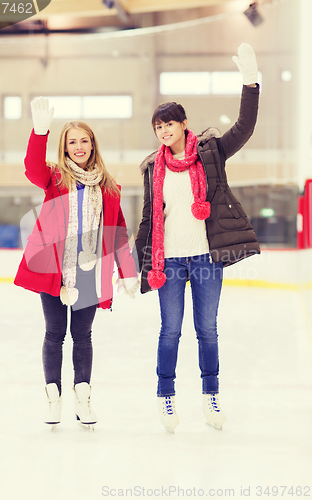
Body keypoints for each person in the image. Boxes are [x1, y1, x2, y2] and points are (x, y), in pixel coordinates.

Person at [135, 43, 260, 433]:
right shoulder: (152, 167)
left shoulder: (211, 152)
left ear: (183, 122)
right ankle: (166, 396)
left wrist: (250, 83)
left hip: (205, 258)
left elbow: (244, 127)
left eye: (169, 123)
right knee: (170, 330)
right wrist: (134, 261)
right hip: (168, 261)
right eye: (158, 126)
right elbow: (149, 218)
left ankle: (211, 394)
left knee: (207, 329)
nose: (163, 130)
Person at [14, 97, 138, 430]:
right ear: (64, 148)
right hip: (55, 271)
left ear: (93, 145)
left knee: (82, 336)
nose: (79, 146)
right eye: (72, 142)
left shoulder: (109, 187)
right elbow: (31, 167)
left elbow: (120, 232)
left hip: (89, 272)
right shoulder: (54, 179)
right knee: (55, 334)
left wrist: (128, 272)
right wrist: (40, 133)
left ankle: (82, 398)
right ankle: (53, 399)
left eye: (84, 141)